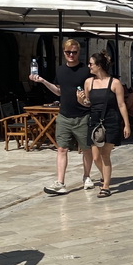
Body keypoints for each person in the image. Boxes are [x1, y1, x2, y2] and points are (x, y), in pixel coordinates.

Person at [31, 39, 94, 195]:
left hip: (83, 116)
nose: (71, 55)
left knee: (86, 149)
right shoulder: (60, 70)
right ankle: (60, 182)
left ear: (79, 53)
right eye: (68, 52)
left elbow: (92, 90)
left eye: (74, 52)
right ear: (64, 53)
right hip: (64, 115)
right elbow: (59, 91)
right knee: (61, 149)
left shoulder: (86, 71)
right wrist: (43, 81)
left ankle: (86, 176)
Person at [81, 51, 130, 197]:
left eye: (91, 64)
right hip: (95, 121)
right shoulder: (88, 82)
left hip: (111, 121)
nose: (89, 66)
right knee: (95, 157)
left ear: (99, 66)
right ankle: (105, 176)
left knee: (105, 154)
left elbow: (121, 104)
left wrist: (126, 124)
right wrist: (81, 100)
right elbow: (87, 103)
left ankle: (106, 186)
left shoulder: (114, 83)